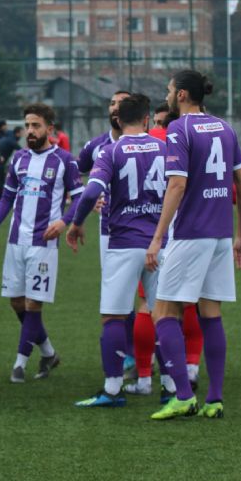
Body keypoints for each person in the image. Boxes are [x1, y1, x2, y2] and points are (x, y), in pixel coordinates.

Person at [145, 71, 241, 420]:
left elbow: (176, 185)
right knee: (211, 313)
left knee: (164, 313)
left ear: (182, 95)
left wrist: (158, 236)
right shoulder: (225, 126)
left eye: (170, 90)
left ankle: (184, 395)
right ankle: (215, 399)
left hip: (190, 233)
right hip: (221, 234)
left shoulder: (179, 129)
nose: (167, 94)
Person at [63, 94, 165, 407]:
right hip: (160, 243)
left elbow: (92, 190)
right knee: (164, 317)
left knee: (113, 317)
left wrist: (76, 222)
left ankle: (112, 389)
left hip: (124, 243)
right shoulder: (164, 147)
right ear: (147, 119)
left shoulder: (111, 150)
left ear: (118, 121)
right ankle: (174, 388)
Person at [0, 103, 81, 383]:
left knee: (33, 304)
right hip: (16, 241)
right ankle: (48, 352)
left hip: (43, 243)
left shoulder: (65, 160)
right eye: (27, 125)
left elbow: (80, 197)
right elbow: (6, 198)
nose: (30, 131)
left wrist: (63, 222)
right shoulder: (19, 159)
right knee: (16, 302)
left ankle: (19, 363)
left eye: (36, 125)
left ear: (50, 128)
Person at [77, 90, 132, 373]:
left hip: (141, 228)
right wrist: (89, 194)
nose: (115, 107)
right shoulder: (96, 147)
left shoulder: (142, 144)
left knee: (145, 297)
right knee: (118, 295)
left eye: (121, 103)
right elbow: (75, 172)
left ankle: (144, 357)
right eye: (111, 102)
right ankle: (131, 354)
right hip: (108, 229)